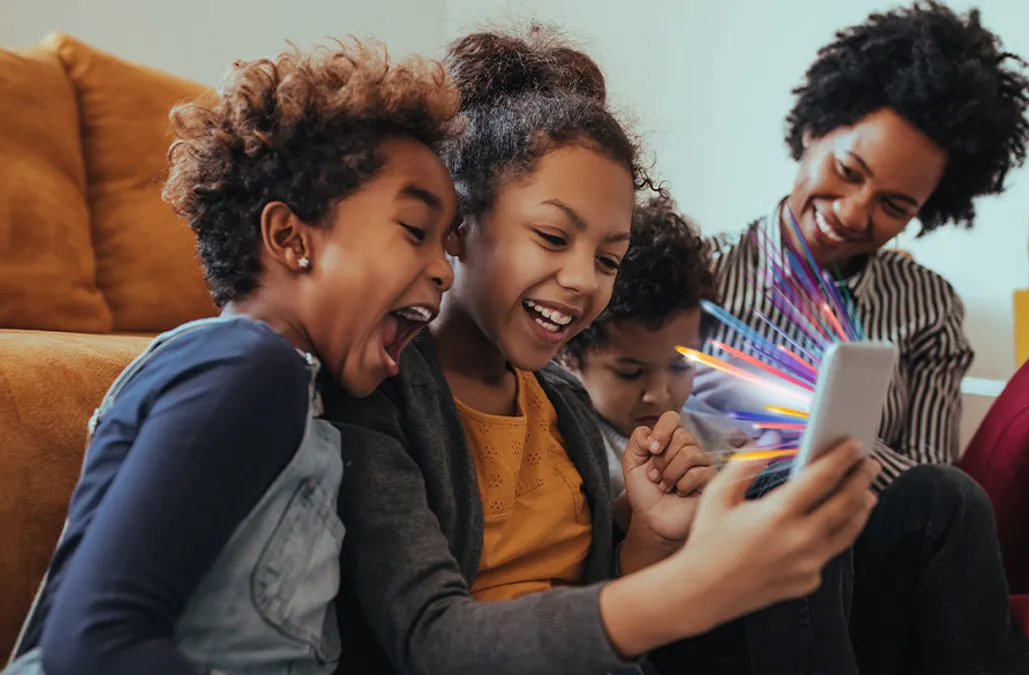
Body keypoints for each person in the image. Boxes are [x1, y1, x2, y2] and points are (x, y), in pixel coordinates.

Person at [321, 26, 881, 675]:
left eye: (609, 257)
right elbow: (432, 640)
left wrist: (650, 533)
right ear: (459, 220)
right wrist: (698, 584)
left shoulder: (561, 400)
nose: (586, 279)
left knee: (807, 491)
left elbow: (592, 599)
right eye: (553, 236)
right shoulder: (380, 391)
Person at [693, 0, 1029, 670]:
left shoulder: (924, 303)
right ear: (812, 129)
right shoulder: (695, 273)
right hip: (759, 576)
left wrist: (829, 446)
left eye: (895, 206)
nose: (853, 214)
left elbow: (929, 484)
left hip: (909, 551)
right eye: (849, 171)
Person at [1, 38, 460, 675]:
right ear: (289, 238)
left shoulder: (296, 395)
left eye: (447, 246)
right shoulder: (246, 368)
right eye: (415, 231)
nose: (443, 270)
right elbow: (98, 645)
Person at [563, 194, 1029, 675]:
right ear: (568, 355)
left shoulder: (710, 424)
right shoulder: (576, 439)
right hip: (687, 631)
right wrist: (639, 520)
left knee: (944, 494)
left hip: (803, 615)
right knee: (786, 495)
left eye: (680, 364)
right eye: (629, 373)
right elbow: (590, 598)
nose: (659, 394)